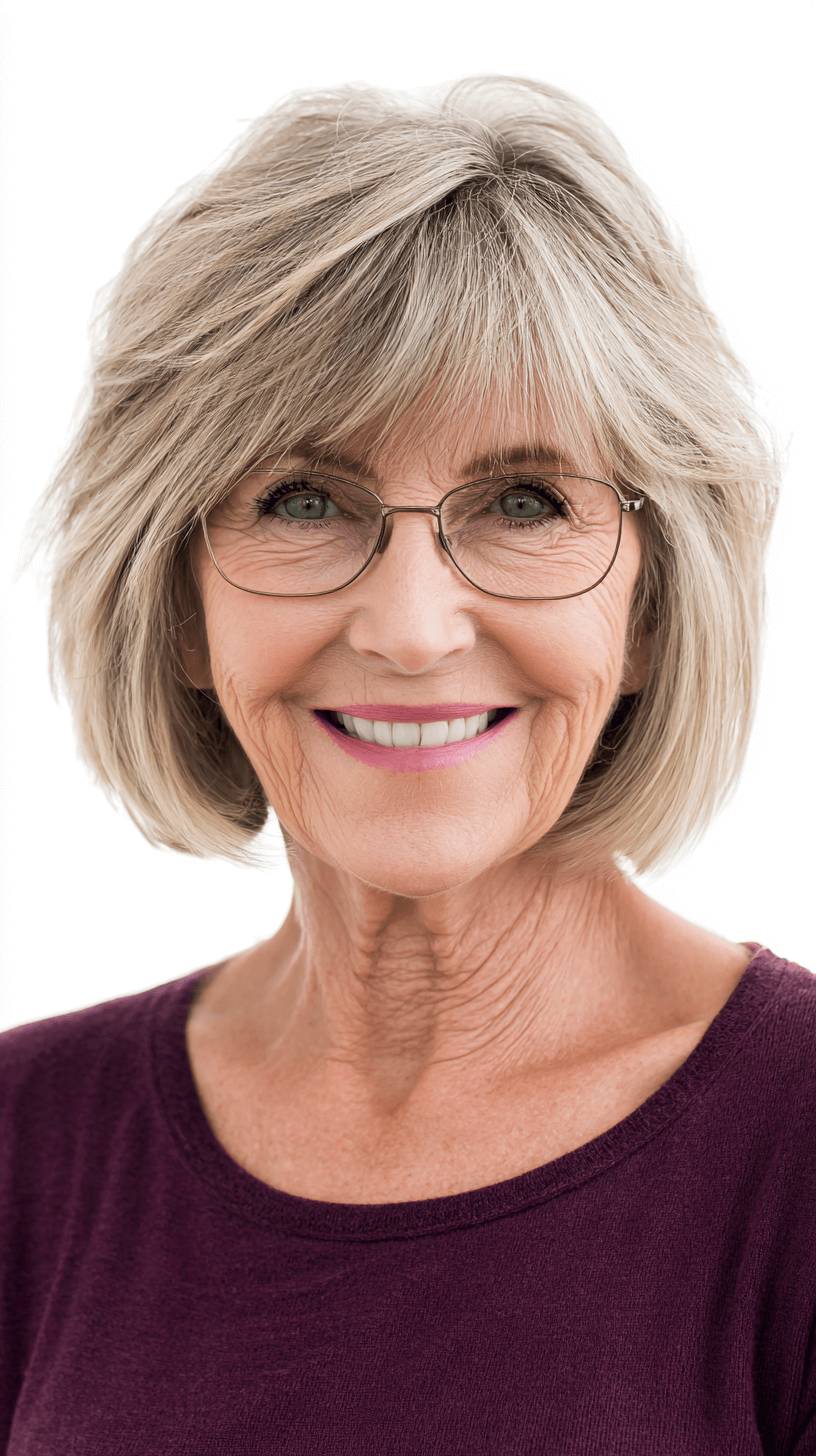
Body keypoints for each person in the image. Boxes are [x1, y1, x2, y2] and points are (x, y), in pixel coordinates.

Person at [3, 74, 815, 1452]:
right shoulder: (25, 1147)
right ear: (177, 599)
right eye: (303, 500)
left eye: (524, 504)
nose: (412, 629)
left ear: (656, 607)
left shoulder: (794, 1155)